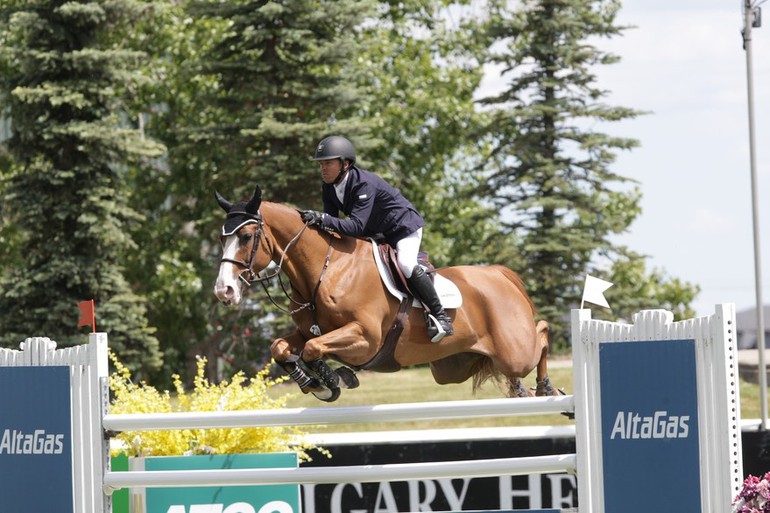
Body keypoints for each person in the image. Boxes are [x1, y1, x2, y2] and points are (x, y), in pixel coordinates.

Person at [299, 135, 454, 342]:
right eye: (321, 164)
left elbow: (355, 225)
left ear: (345, 164)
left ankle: (440, 316)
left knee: (406, 264)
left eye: (328, 163)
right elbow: (333, 224)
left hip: (402, 226)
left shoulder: (363, 184)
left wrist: (323, 219)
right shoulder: (329, 187)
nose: (322, 169)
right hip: (377, 233)